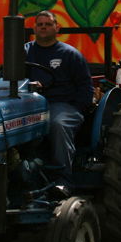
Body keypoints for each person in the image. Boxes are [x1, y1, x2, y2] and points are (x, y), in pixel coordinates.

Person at [24, 11, 93, 198]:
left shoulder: (70, 54)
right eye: (40, 24)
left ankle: (62, 180)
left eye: (48, 24)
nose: (43, 27)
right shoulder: (24, 52)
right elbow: (9, 80)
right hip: (29, 105)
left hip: (61, 104)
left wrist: (77, 108)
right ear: (34, 28)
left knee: (58, 124)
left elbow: (86, 87)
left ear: (57, 28)